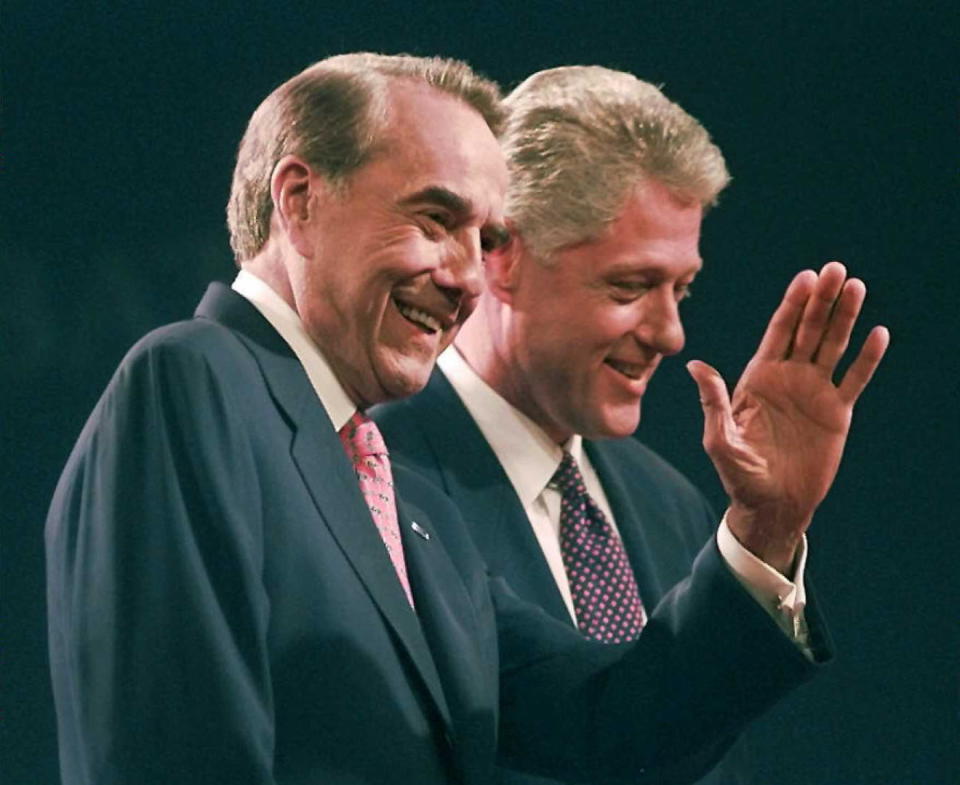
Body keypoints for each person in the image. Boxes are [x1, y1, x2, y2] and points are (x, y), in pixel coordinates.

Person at [45, 54, 884, 785]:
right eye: (436, 220)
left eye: (481, 236)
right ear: (299, 201)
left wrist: (767, 526)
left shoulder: (388, 486)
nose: (466, 277)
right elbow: (177, 759)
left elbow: (609, 722)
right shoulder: (199, 378)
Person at [373, 66, 890, 785]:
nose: (672, 332)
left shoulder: (670, 505)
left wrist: (768, 530)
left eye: (683, 287)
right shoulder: (377, 475)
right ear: (501, 253)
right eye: (631, 286)